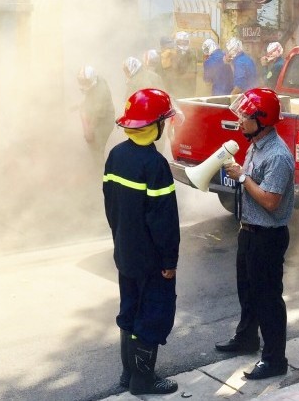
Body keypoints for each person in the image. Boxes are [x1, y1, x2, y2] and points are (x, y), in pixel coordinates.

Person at [103, 88, 180, 395]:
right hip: (151, 260)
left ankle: (128, 375)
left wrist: (122, 238)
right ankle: (143, 381)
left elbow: (111, 208)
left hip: (126, 252)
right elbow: (164, 223)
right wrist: (169, 262)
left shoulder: (116, 155)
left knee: (130, 310)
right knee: (152, 315)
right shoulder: (155, 165)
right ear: (156, 126)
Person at [215, 88, 294, 380]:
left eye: (245, 117)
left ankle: (275, 360)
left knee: (268, 298)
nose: (240, 122)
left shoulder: (278, 156)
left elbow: (271, 201)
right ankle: (247, 338)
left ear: (262, 120)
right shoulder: (256, 145)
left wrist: (243, 177)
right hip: (249, 231)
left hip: (267, 236)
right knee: (247, 291)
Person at [77, 65, 115, 167]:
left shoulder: (101, 91)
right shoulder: (96, 81)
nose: (83, 84)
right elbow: (90, 98)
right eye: (82, 81)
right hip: (99, 117)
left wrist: (89, 131)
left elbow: (97, 115)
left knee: (96, 146)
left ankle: (100, 173)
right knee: (93, 145)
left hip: (104, 121)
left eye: (85, 82)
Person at [172, 31, 198, 99]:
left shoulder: (191, 54)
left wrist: (176, 77)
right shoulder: (175, 53)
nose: (182, 44)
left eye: (185, 42)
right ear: (176, 42)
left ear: (188, 42)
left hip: (188, 90)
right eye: (180, 42)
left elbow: (192, 74)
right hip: (177, 89)